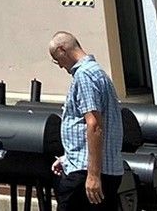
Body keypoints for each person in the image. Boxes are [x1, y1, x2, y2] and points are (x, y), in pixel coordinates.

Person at [49, 31, 125, 208]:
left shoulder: (84, 75)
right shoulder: (97, 72)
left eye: (57, 60)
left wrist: (93, 175)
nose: (60, 66)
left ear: (62, 50)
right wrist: (68, 158)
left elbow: (94, 125)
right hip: (102, 169)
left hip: (86, 175)